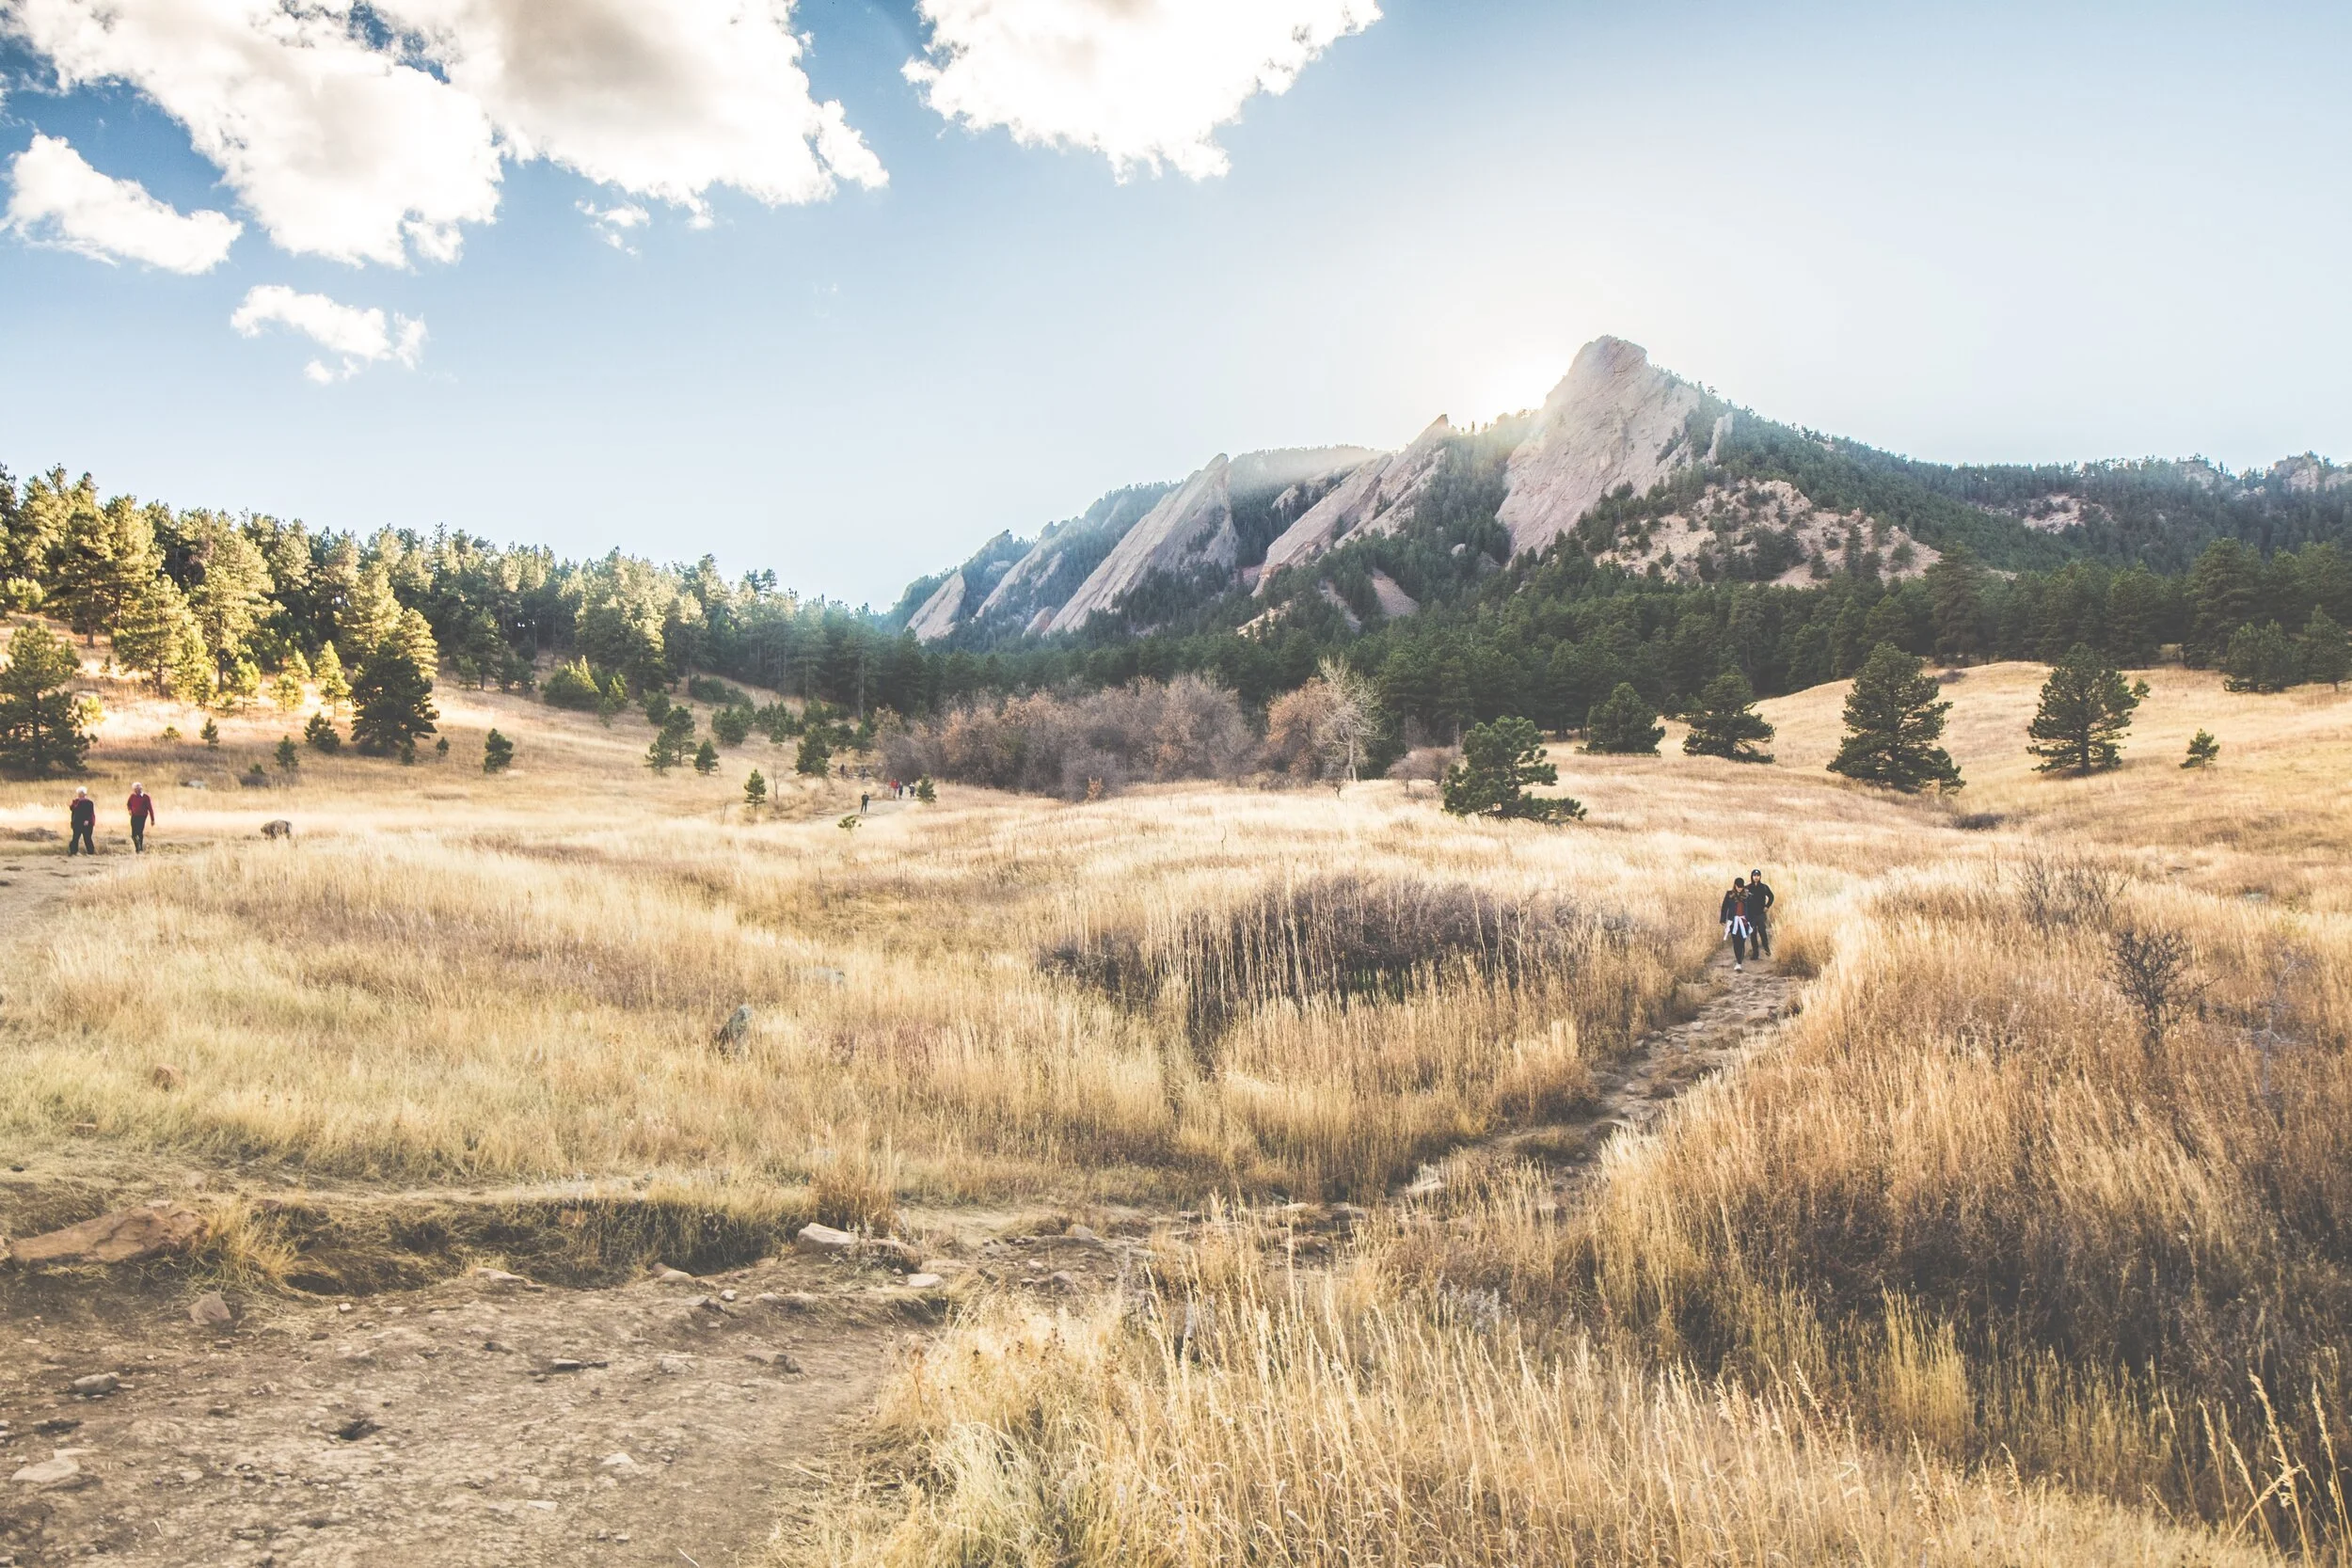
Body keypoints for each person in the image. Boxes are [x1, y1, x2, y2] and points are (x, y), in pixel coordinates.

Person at [1719, 877, 1750, 971]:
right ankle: (1738, 962)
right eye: (1738, 887)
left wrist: (1751, 921)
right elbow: (1725, 907)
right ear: (1735, 886)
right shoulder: (1729, 894)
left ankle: (1739, 961)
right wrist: (1723, 919)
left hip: (1744, 921)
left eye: (1741, 887)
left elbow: (1751, 909)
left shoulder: (1748, 895)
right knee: (1736, 941)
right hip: (1733, 921)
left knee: (1742, 941)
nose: (1740, 889)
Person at [1744, 868, 1775, 958]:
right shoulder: (1747, 888)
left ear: (1760, 876)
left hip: (1761, 914)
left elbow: (1771, 897)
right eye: (1754, 875)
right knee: (1753, 934)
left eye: (1758, 875)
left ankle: (1767, 949)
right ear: (1752, 876)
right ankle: (1755, 953)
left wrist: (1767, 906)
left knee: (1762, 932)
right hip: (1751, 915)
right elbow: (1743, 900)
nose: (1756, 877)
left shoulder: (1764, 887)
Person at [127, 783, 157, 853]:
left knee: (139, 832)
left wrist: (152, 819)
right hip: (134, 816)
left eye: (139, 788)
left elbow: (150, 809)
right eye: (135, 789)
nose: (137, 790)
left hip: (142, 816)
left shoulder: (146, 797)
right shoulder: (132, 796)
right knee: (133, 834)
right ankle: (137, 847)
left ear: (141, 789)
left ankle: (139, 848)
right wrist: (130, 810)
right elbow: (128, 804)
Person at [68, 787, 97, 856]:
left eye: (81, 793)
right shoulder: (76, 801)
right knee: (75, 838)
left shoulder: (89, 802)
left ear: (84, 794)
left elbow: (89, 812)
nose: (79, 795)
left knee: (87, 838)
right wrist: (74, 802)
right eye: (79, 793)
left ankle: (90, 852)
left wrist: (87, 820)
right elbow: (72, 809)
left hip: (86, 823)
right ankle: (74, 852)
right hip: (77, 823)